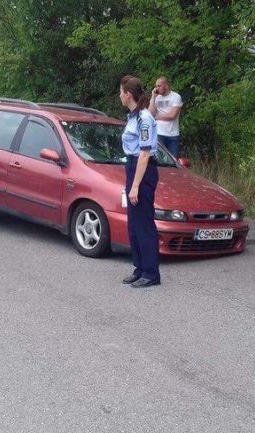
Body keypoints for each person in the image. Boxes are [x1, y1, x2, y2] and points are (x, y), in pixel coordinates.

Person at [119, 75, 160, 288]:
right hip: (132, 166)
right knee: (133, 223)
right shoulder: (133, 116)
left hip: (143, 169)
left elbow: (144, 154)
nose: (119, 96)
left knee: (144, 222)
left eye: (120, 92)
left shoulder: (143, 118)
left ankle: (151, 272)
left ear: (128, 95)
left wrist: (135, 186)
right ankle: (139, 268)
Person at [148, 76, 182, 158]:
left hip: (173, 134)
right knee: (159, 159)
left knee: (173, 160)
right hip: (159, 133)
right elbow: (150, 114)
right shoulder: (157, 98)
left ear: (166, 86)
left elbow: (172, 115)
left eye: (159, 86)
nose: (156, 88)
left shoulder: (175, 97)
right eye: (156, 86)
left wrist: (157, 117)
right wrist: (153, 98)